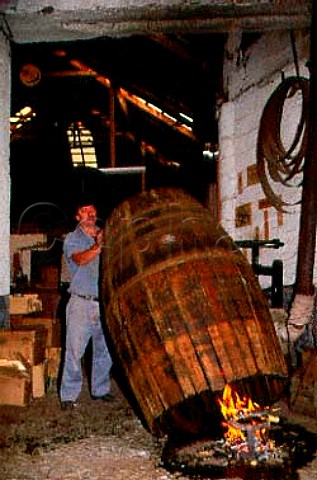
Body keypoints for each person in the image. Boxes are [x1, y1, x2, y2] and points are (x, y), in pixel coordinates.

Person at [60, 200, 113, 410]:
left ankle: (100, 390)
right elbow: (80, 259)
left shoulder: (108, 234)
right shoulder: (72, 239)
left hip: (104, 303)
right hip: (81, 303)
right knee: (74, 351)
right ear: (77, 217)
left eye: (92, 209)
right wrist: (99, 246)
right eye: (84, 210)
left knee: (105, 350)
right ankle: (68, 396)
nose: (90, 213)